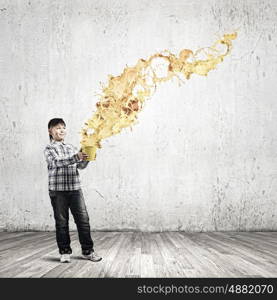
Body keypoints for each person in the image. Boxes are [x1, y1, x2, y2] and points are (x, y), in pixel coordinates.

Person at [44, 118, 102, 263]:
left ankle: (88, 251)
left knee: (83, 221)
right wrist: (76, 157)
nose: (61, 130)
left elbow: (80, 166)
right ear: (50, 131)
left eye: (63, 127)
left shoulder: (71, 147)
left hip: (75, 189)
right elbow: (57, 163)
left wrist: (87, 157)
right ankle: (65, 252)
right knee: (62, 222)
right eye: (57, 128)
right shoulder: (49, 149)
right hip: (58, 191)